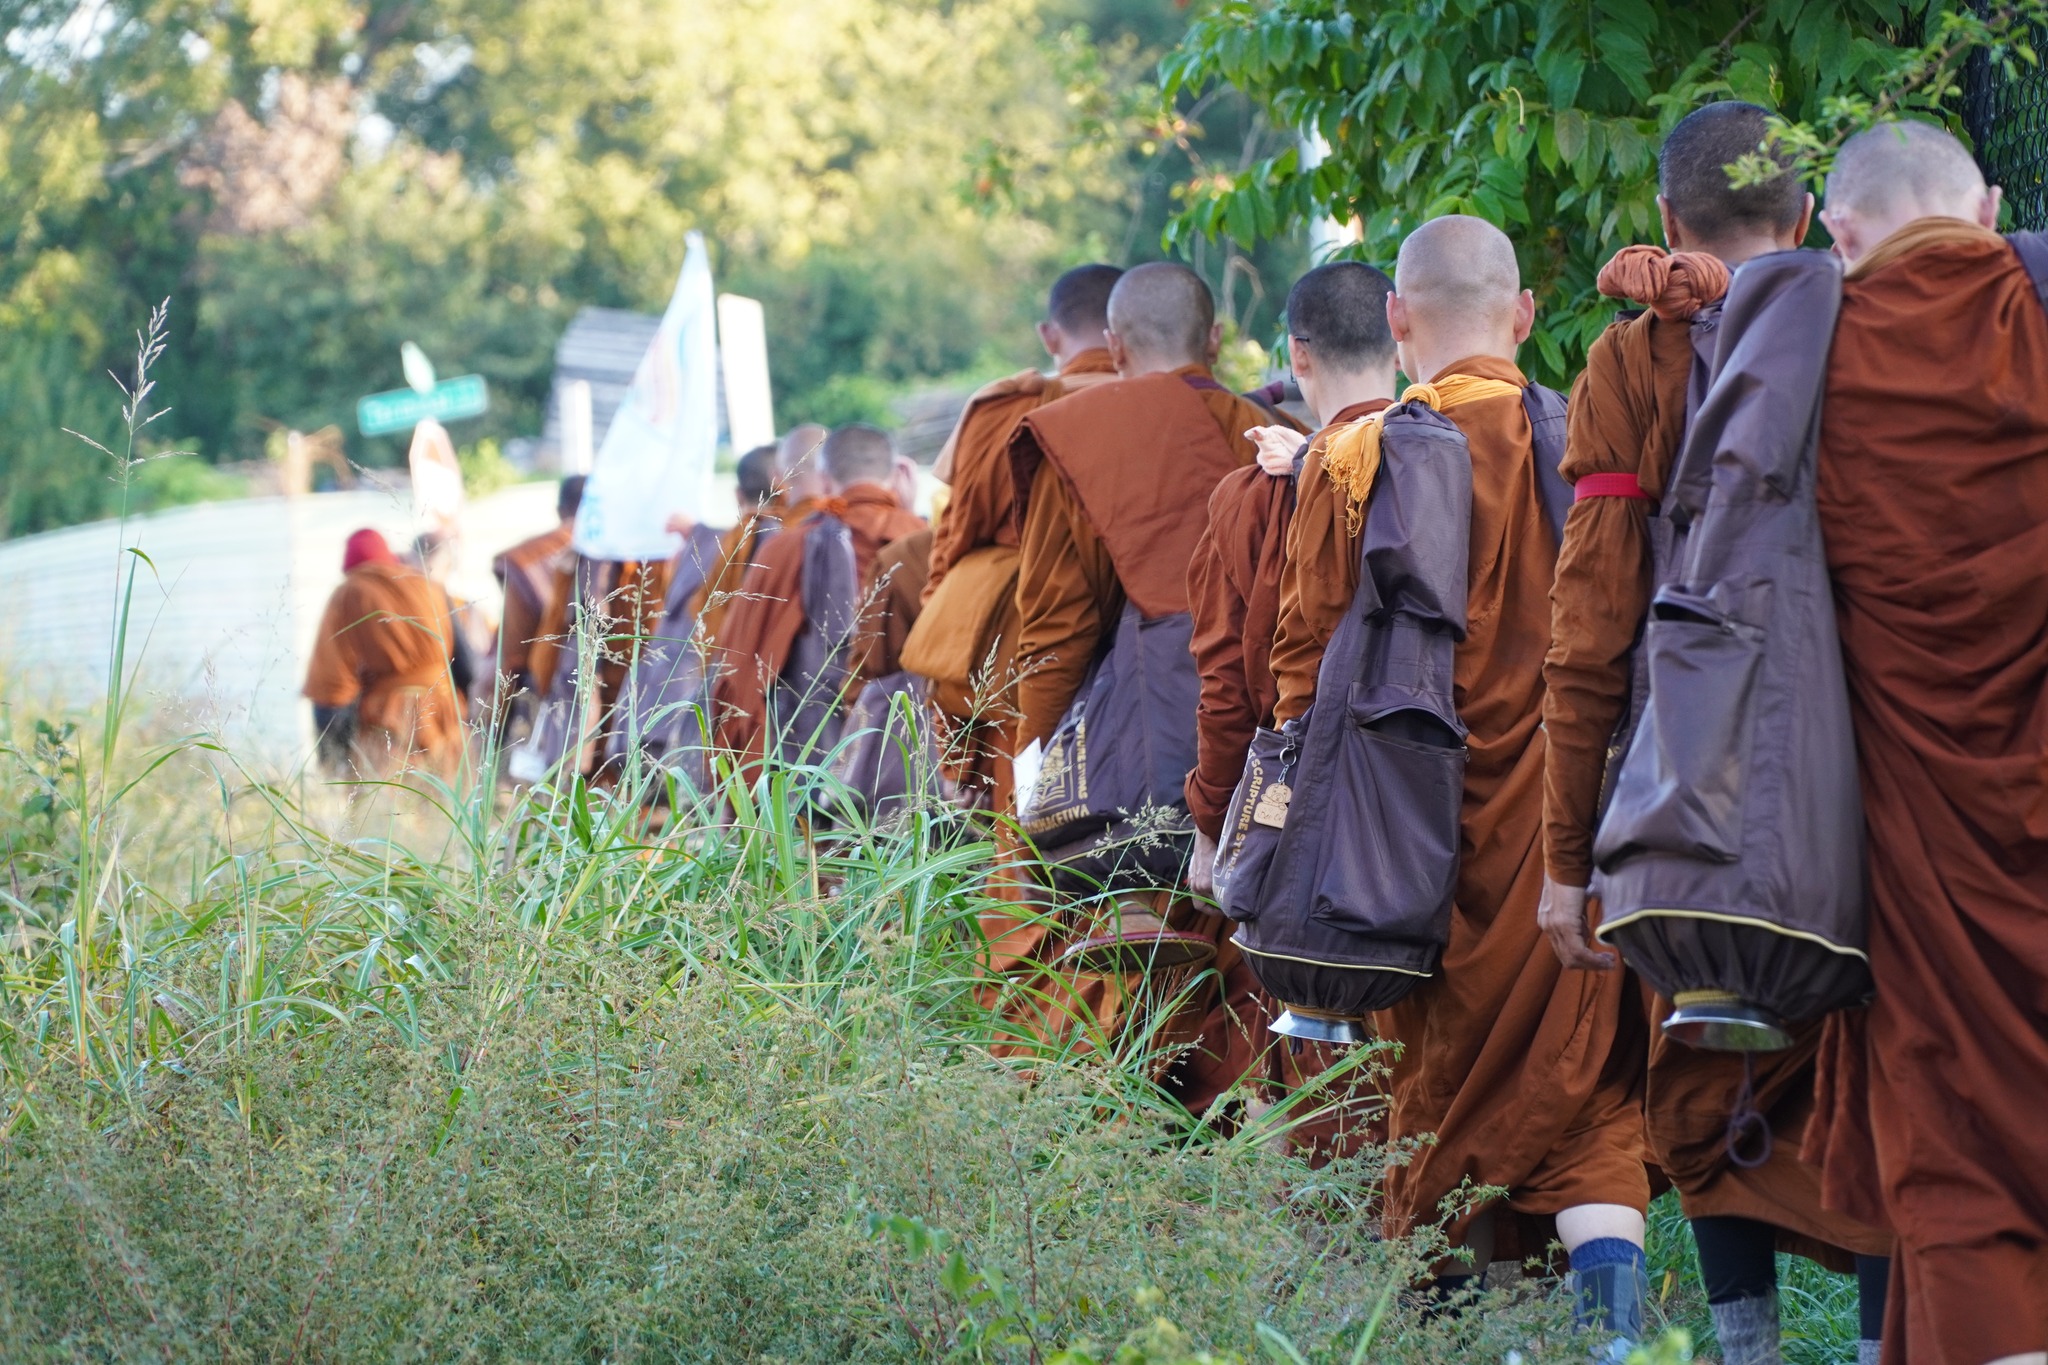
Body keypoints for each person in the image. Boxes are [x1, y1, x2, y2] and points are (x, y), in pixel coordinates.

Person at [1536, 102, 1892, 1365]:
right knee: (1871, 1084)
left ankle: (1744, 1351)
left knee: (1699, 1075)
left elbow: (1590, 631)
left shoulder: (1636, 361)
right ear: (1808, 220)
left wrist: (1566, 859)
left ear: (1666, 220)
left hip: (1696, 772)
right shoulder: (1874, 331)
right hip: (1875, 776)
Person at [1268, 216, 1650, 1343]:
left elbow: (1301, 666)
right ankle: (1617, 1342)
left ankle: (1478, 1340)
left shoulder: (1356, 459)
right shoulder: (1595, 439)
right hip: (1575, 830)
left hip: (1409, 848)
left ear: (1397, 319)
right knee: (1588, 1109)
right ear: (1523, 315)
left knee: (1438, 1103)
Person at [1793, 120, 2048, 1365]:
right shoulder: (2035, 317)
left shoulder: (1812, 355)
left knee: (1957, 1162)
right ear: (1988, 208)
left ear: (1835, 233)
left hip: (1922, 847)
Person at [1007, 260, 1292, 1113]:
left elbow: (1056, 627)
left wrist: (1028, 768)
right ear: (1216, 340)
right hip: (1269, 744)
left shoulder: (1090, 433)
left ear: (1115, 346)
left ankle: (1131, 1143)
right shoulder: (1278, 435)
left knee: (1123, 992)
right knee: (1251, 978)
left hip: (1138, 760)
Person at [1186, 258, 1400, 1157]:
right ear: (1399, 333)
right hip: (1474, 795)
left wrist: (1212, 825)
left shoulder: (1256, 493)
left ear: (1296, 355)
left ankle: (1348, 1225)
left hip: (1314, 817)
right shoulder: (1469, 453)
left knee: (1325, 1055)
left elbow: (1226, 684)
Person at [913, 264, 1123, 807]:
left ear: (1049, 336)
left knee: (1024, 821)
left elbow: (953, 543)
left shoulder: (1006, 408)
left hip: (1023, 647)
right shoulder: (1176, 407)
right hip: (1146, 642)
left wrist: (952, 715)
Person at [711, 424, 926, 769]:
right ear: (897, 475)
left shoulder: (783, 549)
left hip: (806, 759)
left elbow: (738, 669)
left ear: (824, 480)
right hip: (910, 754)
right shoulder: (924, 543)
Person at [303, 527, 466, 777]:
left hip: (388, 727)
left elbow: (330, 688)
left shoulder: (349, 593)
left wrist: (333, 760)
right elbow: (466, 666)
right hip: (444, 716)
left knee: (387, 800)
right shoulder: (429, 586)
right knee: (448, 798)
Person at [491, 474, 583, 716]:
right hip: (629, 698)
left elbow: (511, 656)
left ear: (560, 510)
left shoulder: (527, 558)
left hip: (554, 700)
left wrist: (492, 723)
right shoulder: (631, 551)